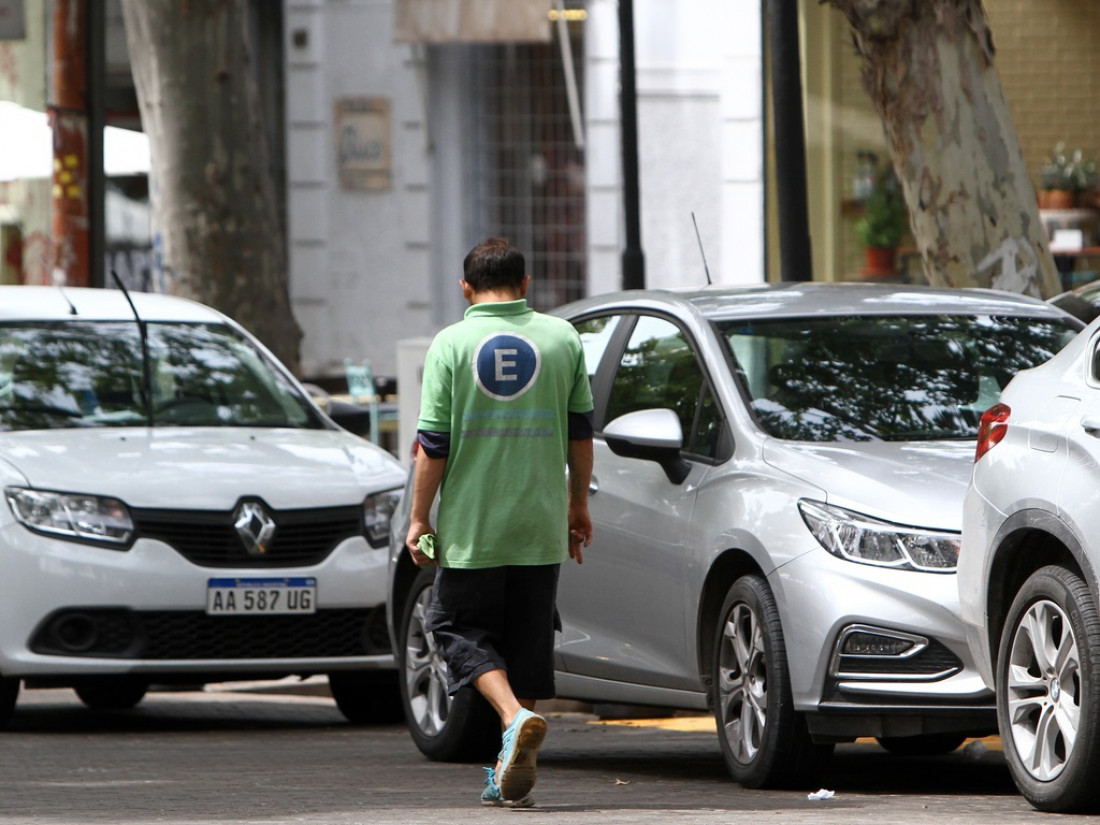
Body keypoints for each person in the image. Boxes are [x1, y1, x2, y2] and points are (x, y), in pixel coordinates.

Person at [405, 237, 594, 808]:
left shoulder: (451, 343)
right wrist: (578, 505)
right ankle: (508, 763)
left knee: (457, 629)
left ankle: (512, 719)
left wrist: (419, 517)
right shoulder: (562, 338)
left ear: (466, 288)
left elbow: (432, 444)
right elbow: (581, 434)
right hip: (538, 526)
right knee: (524, 645)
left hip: (473, 529)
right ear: (526, 284)